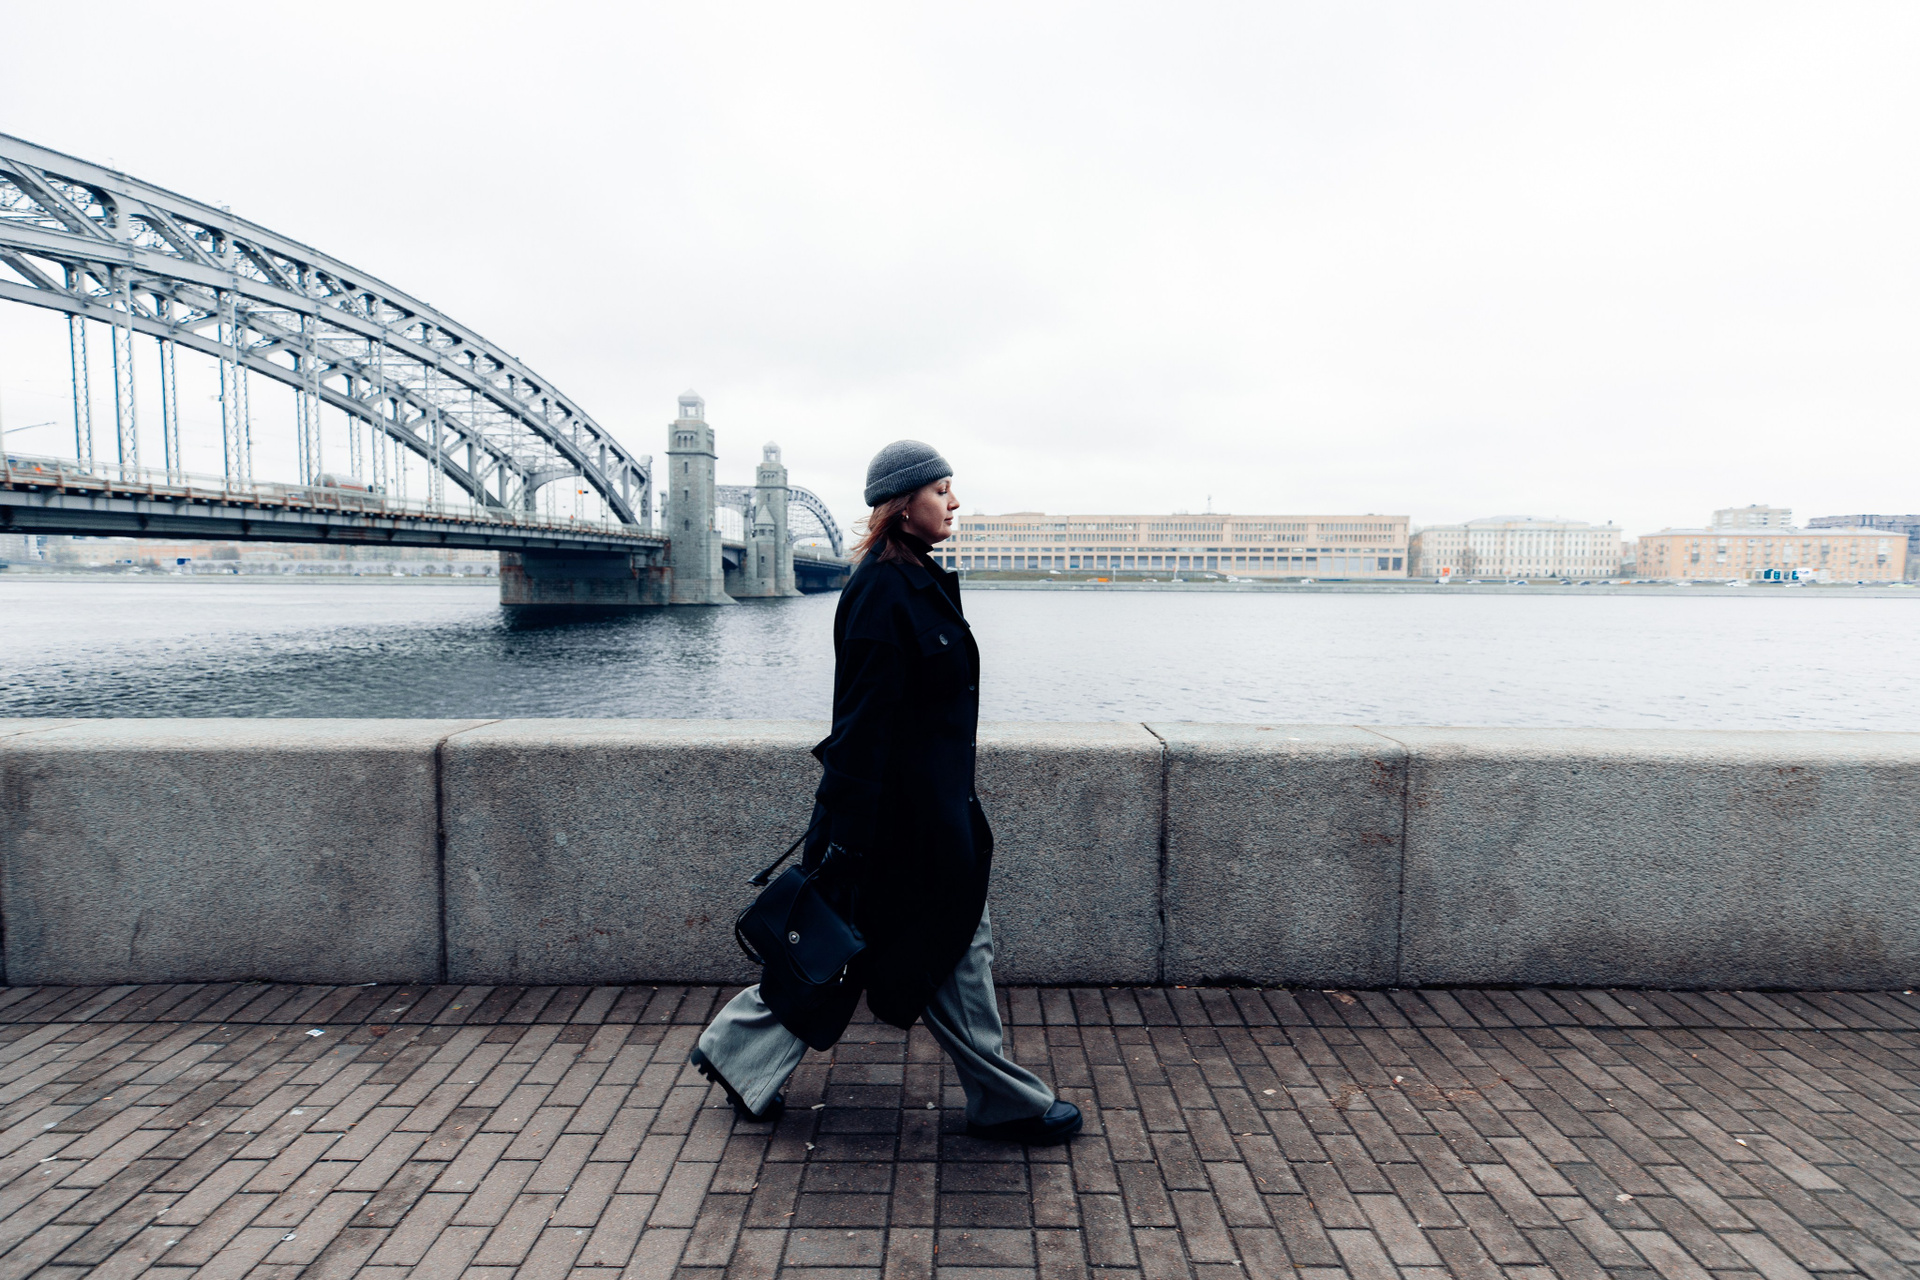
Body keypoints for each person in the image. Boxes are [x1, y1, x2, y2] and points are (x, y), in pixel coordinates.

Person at [690, 440, 1082, 1146]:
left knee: (863, 952)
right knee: (940, 944)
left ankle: (735, 1051)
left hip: (921, 814)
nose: (954, 502)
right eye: (941, 490)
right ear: (903, 505)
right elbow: (861, 724)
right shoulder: (882, 592)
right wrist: (848, 839)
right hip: (898, 825)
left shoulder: (914, 579)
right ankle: (1003, 1101)